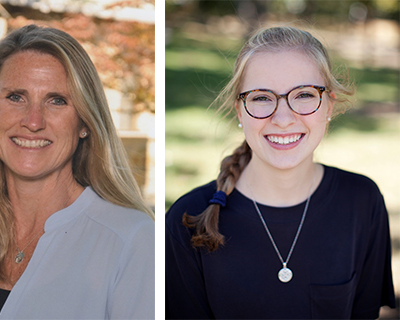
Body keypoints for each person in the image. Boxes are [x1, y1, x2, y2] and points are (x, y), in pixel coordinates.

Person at [166, 25, 396, 319]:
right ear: (240, 110)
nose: (284, 118)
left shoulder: (362, 202)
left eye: (303, 94)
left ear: (328, 106)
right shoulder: (187, 220)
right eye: (262, 98)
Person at [0, 24, 154, 319]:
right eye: (16, 97)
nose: (33, 121)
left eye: (57, 100)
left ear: (85, 122)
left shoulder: (132, 242)